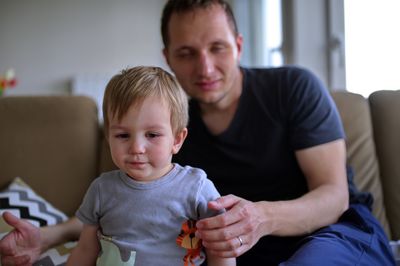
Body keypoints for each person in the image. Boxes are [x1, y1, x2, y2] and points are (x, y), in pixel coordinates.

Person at [0, 0, 396, 265]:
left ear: (239, 46)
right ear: (167, 57)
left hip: (335, 233)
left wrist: (259, 218)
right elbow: (115, 210)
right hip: (238, 251)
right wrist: (47, 238)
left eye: (218, 48)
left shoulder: (293, 88)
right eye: (186, 53)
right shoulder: (159, 124)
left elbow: (333, 196)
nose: (204, 68)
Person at [64, 66, 235, 266]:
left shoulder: (197, 188)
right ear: (108, 137)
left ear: (177, 140)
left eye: (152, 135)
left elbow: (221, 249)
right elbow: (86, 249)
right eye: (122, 135)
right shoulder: (101, 189)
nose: (136, 148)